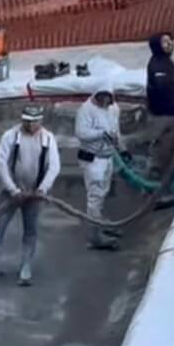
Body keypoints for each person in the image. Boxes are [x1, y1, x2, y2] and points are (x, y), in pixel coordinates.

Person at [0, 103, 60, 287]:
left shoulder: (48, 139)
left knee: (30, 230)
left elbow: (54, 167)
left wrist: (43, 189)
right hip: (11, 192)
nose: (31, 125)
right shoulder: (10, 136)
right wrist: (12, 189)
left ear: (40, 121)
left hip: (34, 193)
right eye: (27, 121)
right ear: (22, 119)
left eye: (34, 122)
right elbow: (1, 163)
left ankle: (25, 266)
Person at [75, 88, 122, 250]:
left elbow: (116, 130)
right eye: (103, 97)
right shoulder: (86, 110)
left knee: (103, 192)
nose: (106, 101)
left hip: (108, 156)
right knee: (95, 196)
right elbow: (81, 133)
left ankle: (101, 223)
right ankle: (94, 235)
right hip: (93, 158)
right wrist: (101, 134)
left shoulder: (113, 109)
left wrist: (122, 148)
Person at [146, 33, 174, 187]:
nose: (169, 44)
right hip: (163, 116)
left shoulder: (168, 62)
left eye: (170, 40)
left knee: (169, 152)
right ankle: (151, 189)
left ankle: (165, 186)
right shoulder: (157, 64)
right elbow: (163, 87)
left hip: (172, 114)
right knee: (160, 153)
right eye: (164, 42)